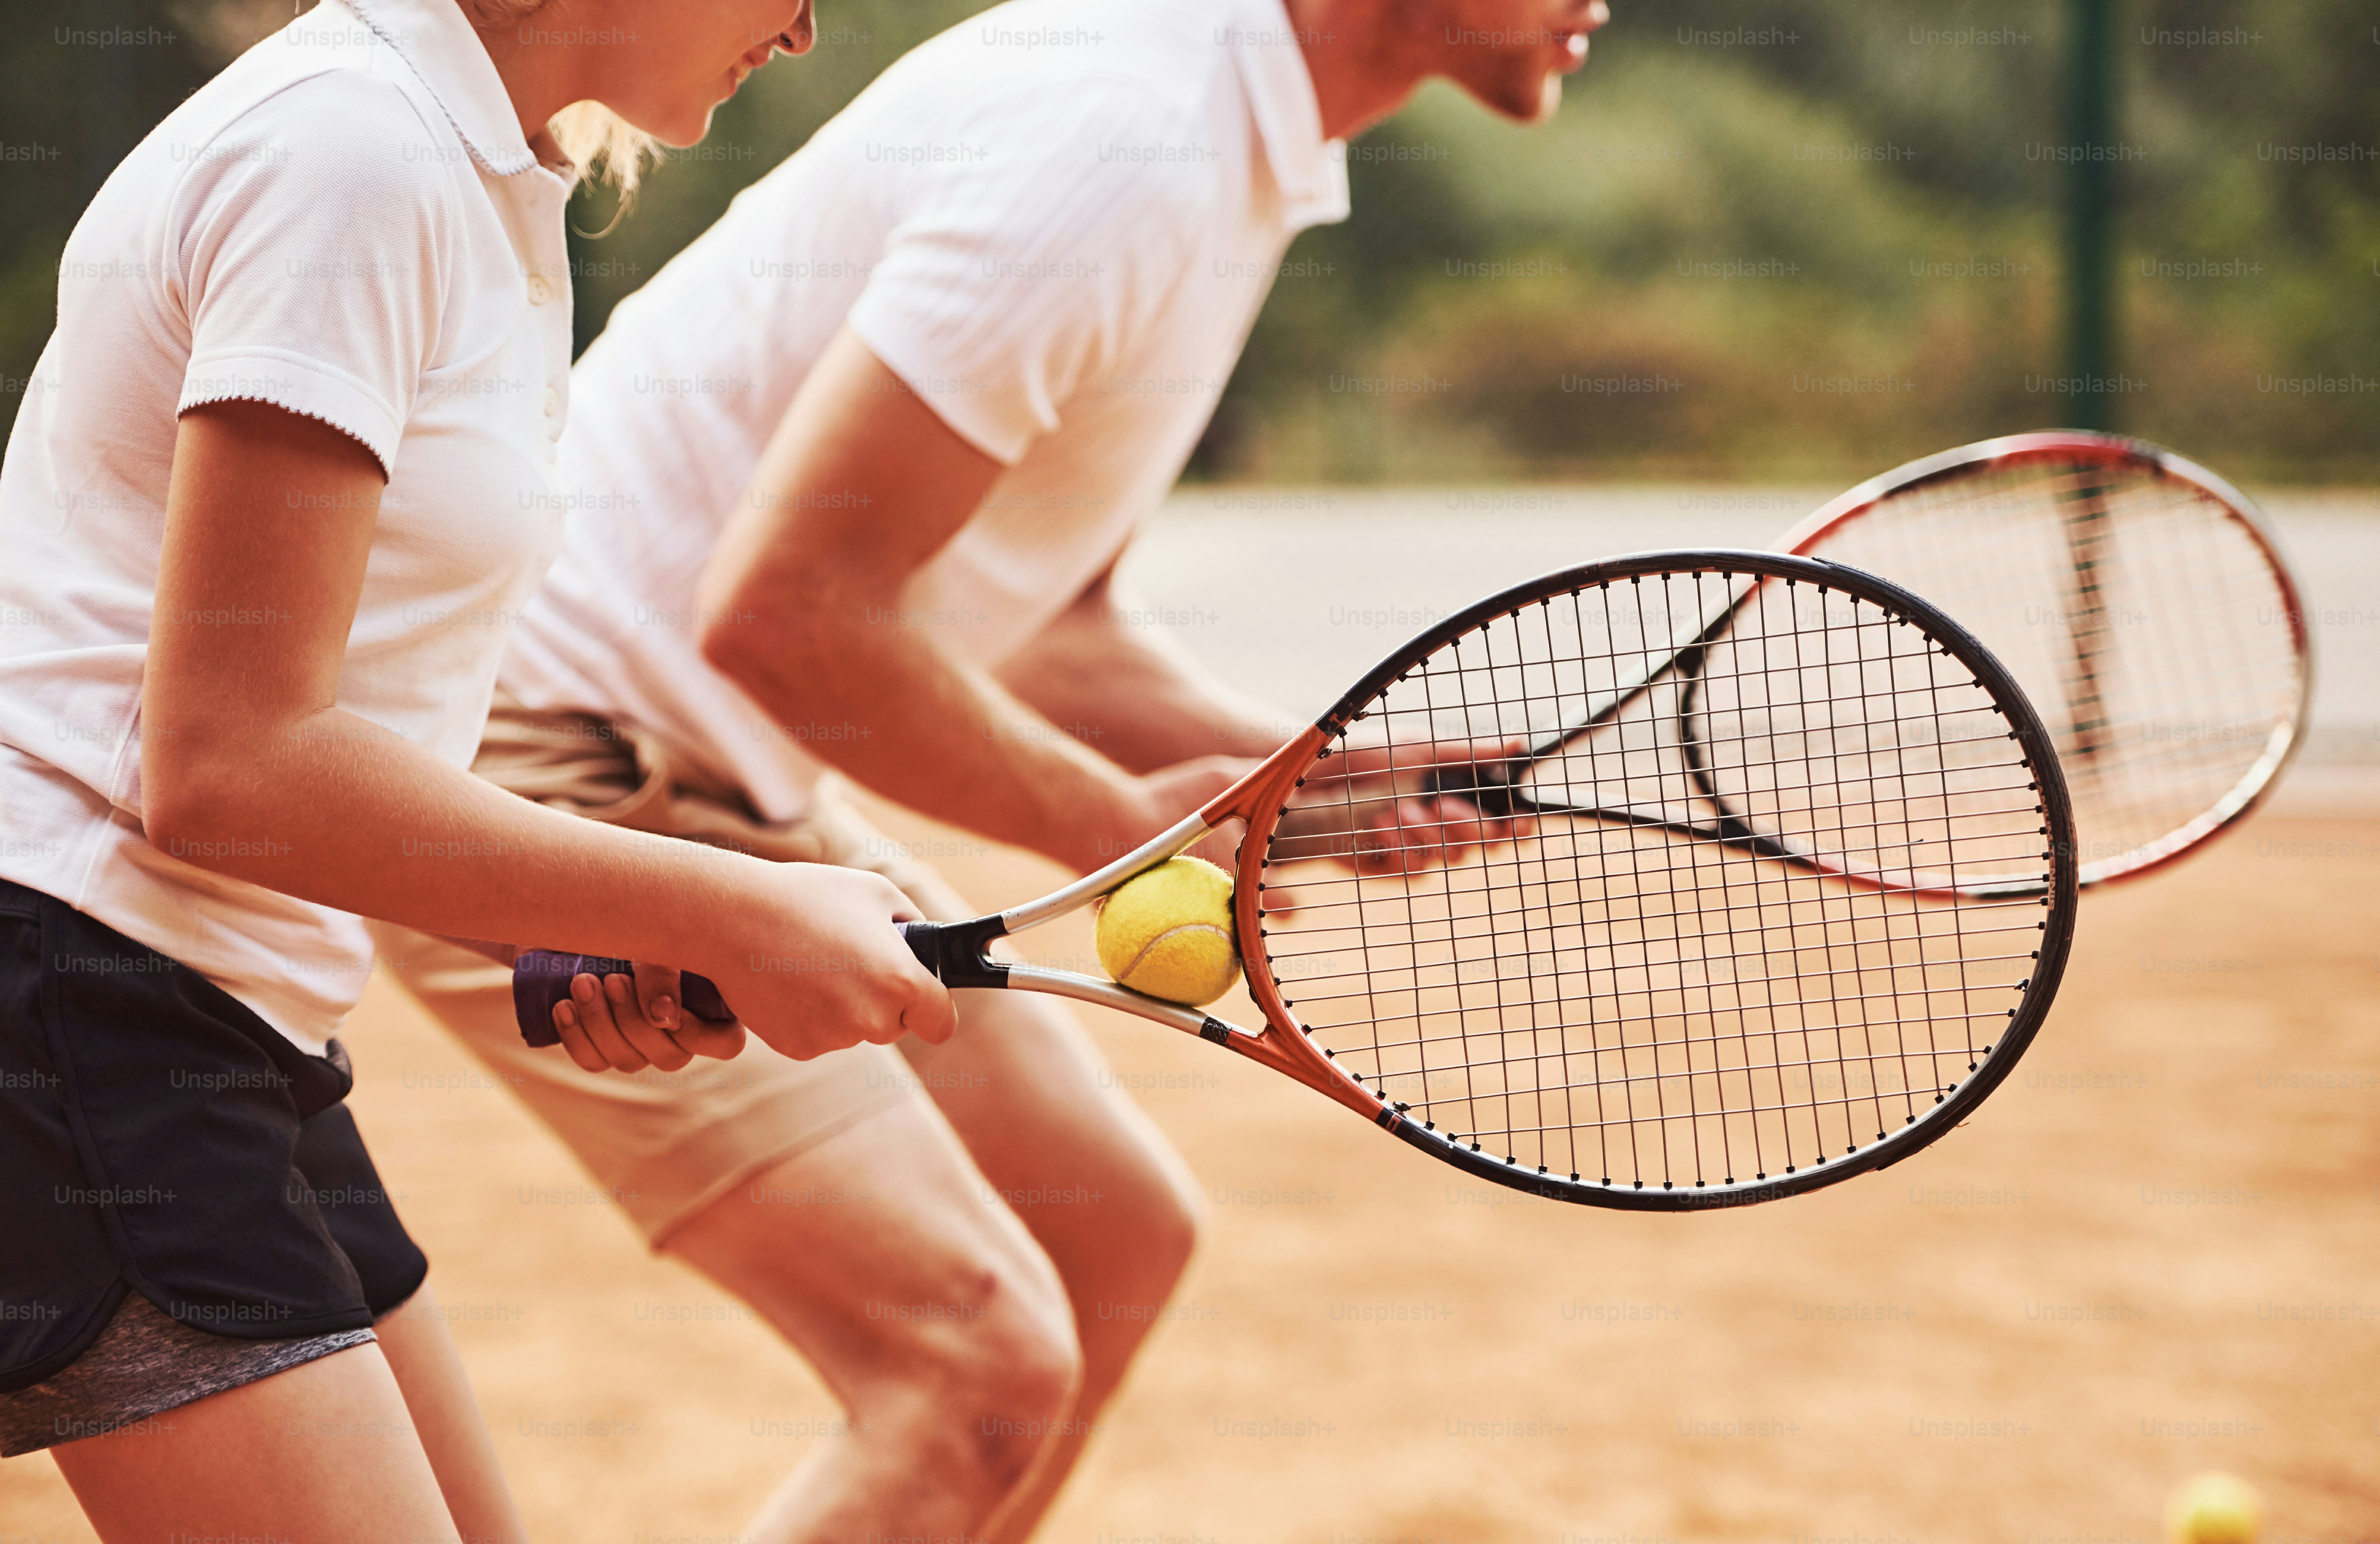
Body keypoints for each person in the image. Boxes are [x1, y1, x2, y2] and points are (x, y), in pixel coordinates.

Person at [371, 0, 1608, 1536]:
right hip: (554, 742)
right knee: (972, 1361)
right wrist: (1114, 818)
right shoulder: (1122, 139)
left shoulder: (1224, 135)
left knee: (1110, 1244)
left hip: (703, 748)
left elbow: (1032, 622)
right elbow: (789, 619)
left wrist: (1310, 784)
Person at [0, 0, 952, 1538]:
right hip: (79, 995)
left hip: (210, 1009)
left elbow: (341, 713)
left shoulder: (476, 173)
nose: (803, 30)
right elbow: (230, 763)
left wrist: (568, 917)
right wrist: (734, 911)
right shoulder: (351, 157)